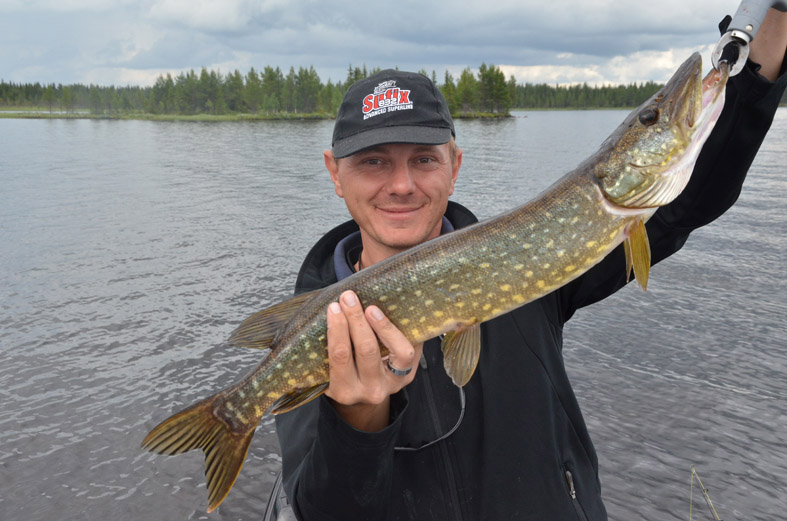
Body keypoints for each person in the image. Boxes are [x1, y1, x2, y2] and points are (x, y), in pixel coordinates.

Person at [275, 11, 787, 521]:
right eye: (374, 161)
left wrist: (772, 28)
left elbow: (693, 199)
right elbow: (324, 510)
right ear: (334, 174)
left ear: (454, 166)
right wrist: (359, 421)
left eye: (424, 159)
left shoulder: (541, 258)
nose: (403, 184)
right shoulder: (315, 330)